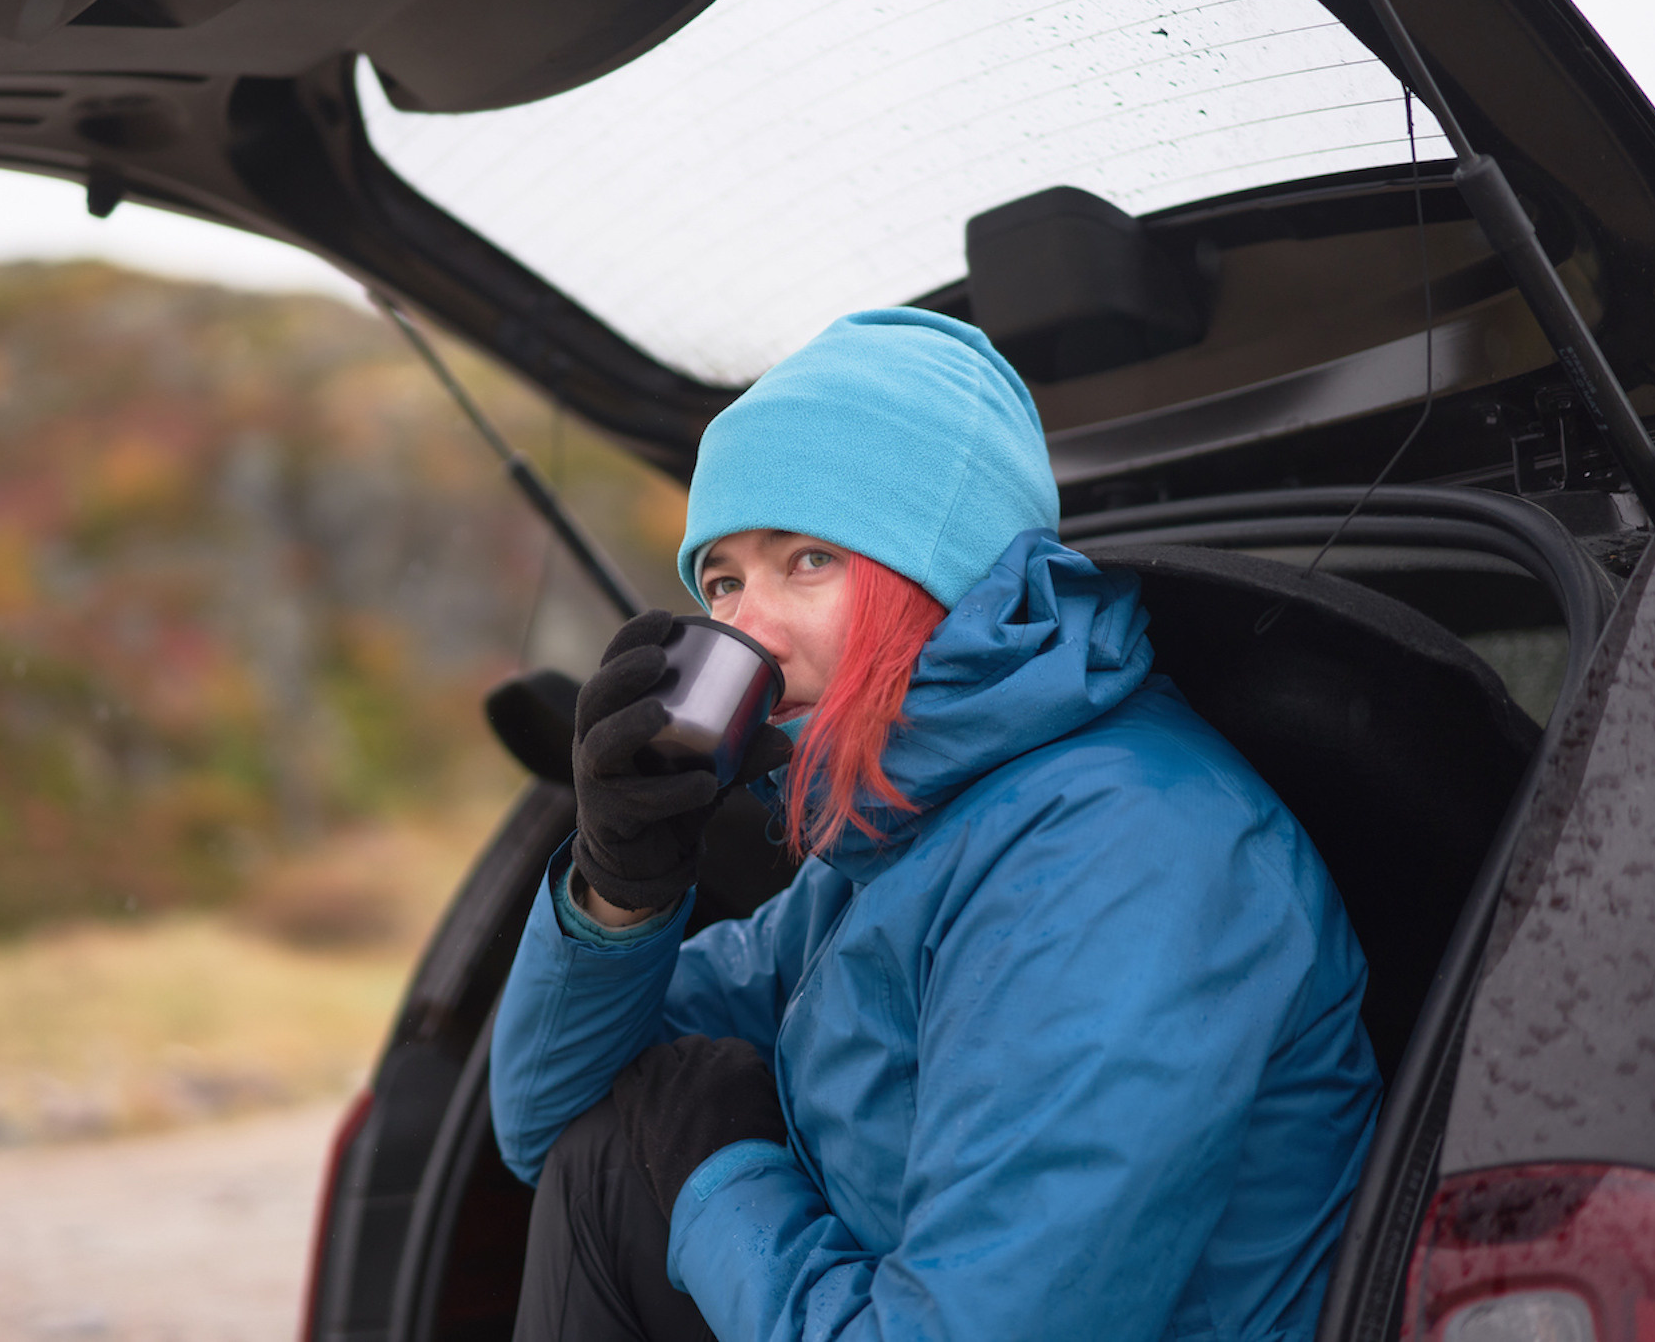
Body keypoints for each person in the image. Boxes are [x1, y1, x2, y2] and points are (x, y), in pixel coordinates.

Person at [489, 307, 1380, 1342]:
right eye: (723, 579)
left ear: (945, 570)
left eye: (807, 559)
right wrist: (619, 889)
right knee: (607, 1158)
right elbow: (546, 1117)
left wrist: (721, 1173)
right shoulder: (884, 840)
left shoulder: (1120, 855)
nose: (746, 629)